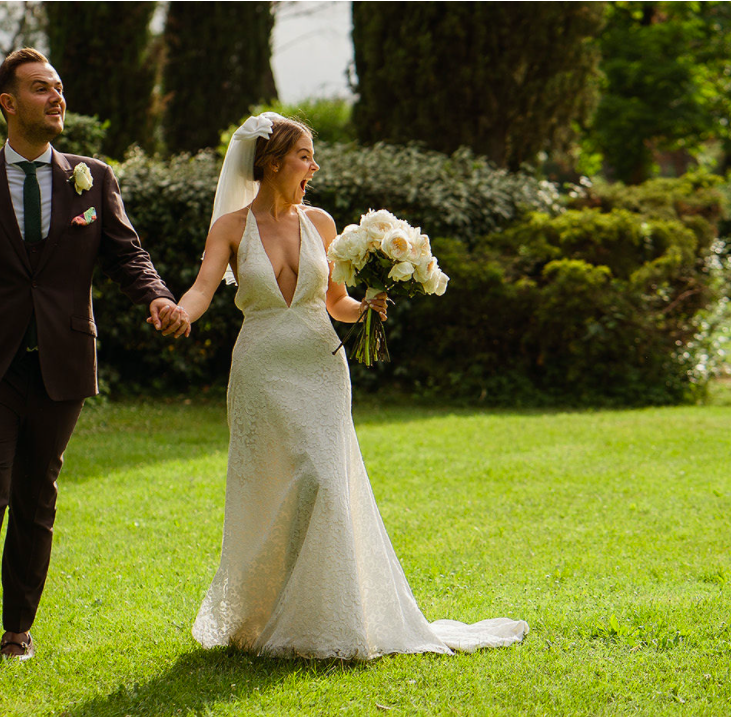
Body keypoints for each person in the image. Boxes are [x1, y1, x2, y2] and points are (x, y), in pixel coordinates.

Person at [174, 113, 528, 660]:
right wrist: (179, 312)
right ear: (272, 163)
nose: (314, 166)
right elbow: (201, 290)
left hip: (320, 366)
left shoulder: (321, 223)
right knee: (276, 489)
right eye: (305, 156)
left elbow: (334, 302)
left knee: (321, 481)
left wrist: (366, 305)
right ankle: (267, 614)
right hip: (261, 372)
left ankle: (324, 618)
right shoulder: (229, 228)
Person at [0, 48, 189, 683]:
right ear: (8, 102)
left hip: (60, 365)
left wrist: (159, 297)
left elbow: (127, 253)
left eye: (58, 87)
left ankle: (17, 631)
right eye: (39, 89)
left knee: (36, 497)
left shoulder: (92, 177)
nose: (56, 98)